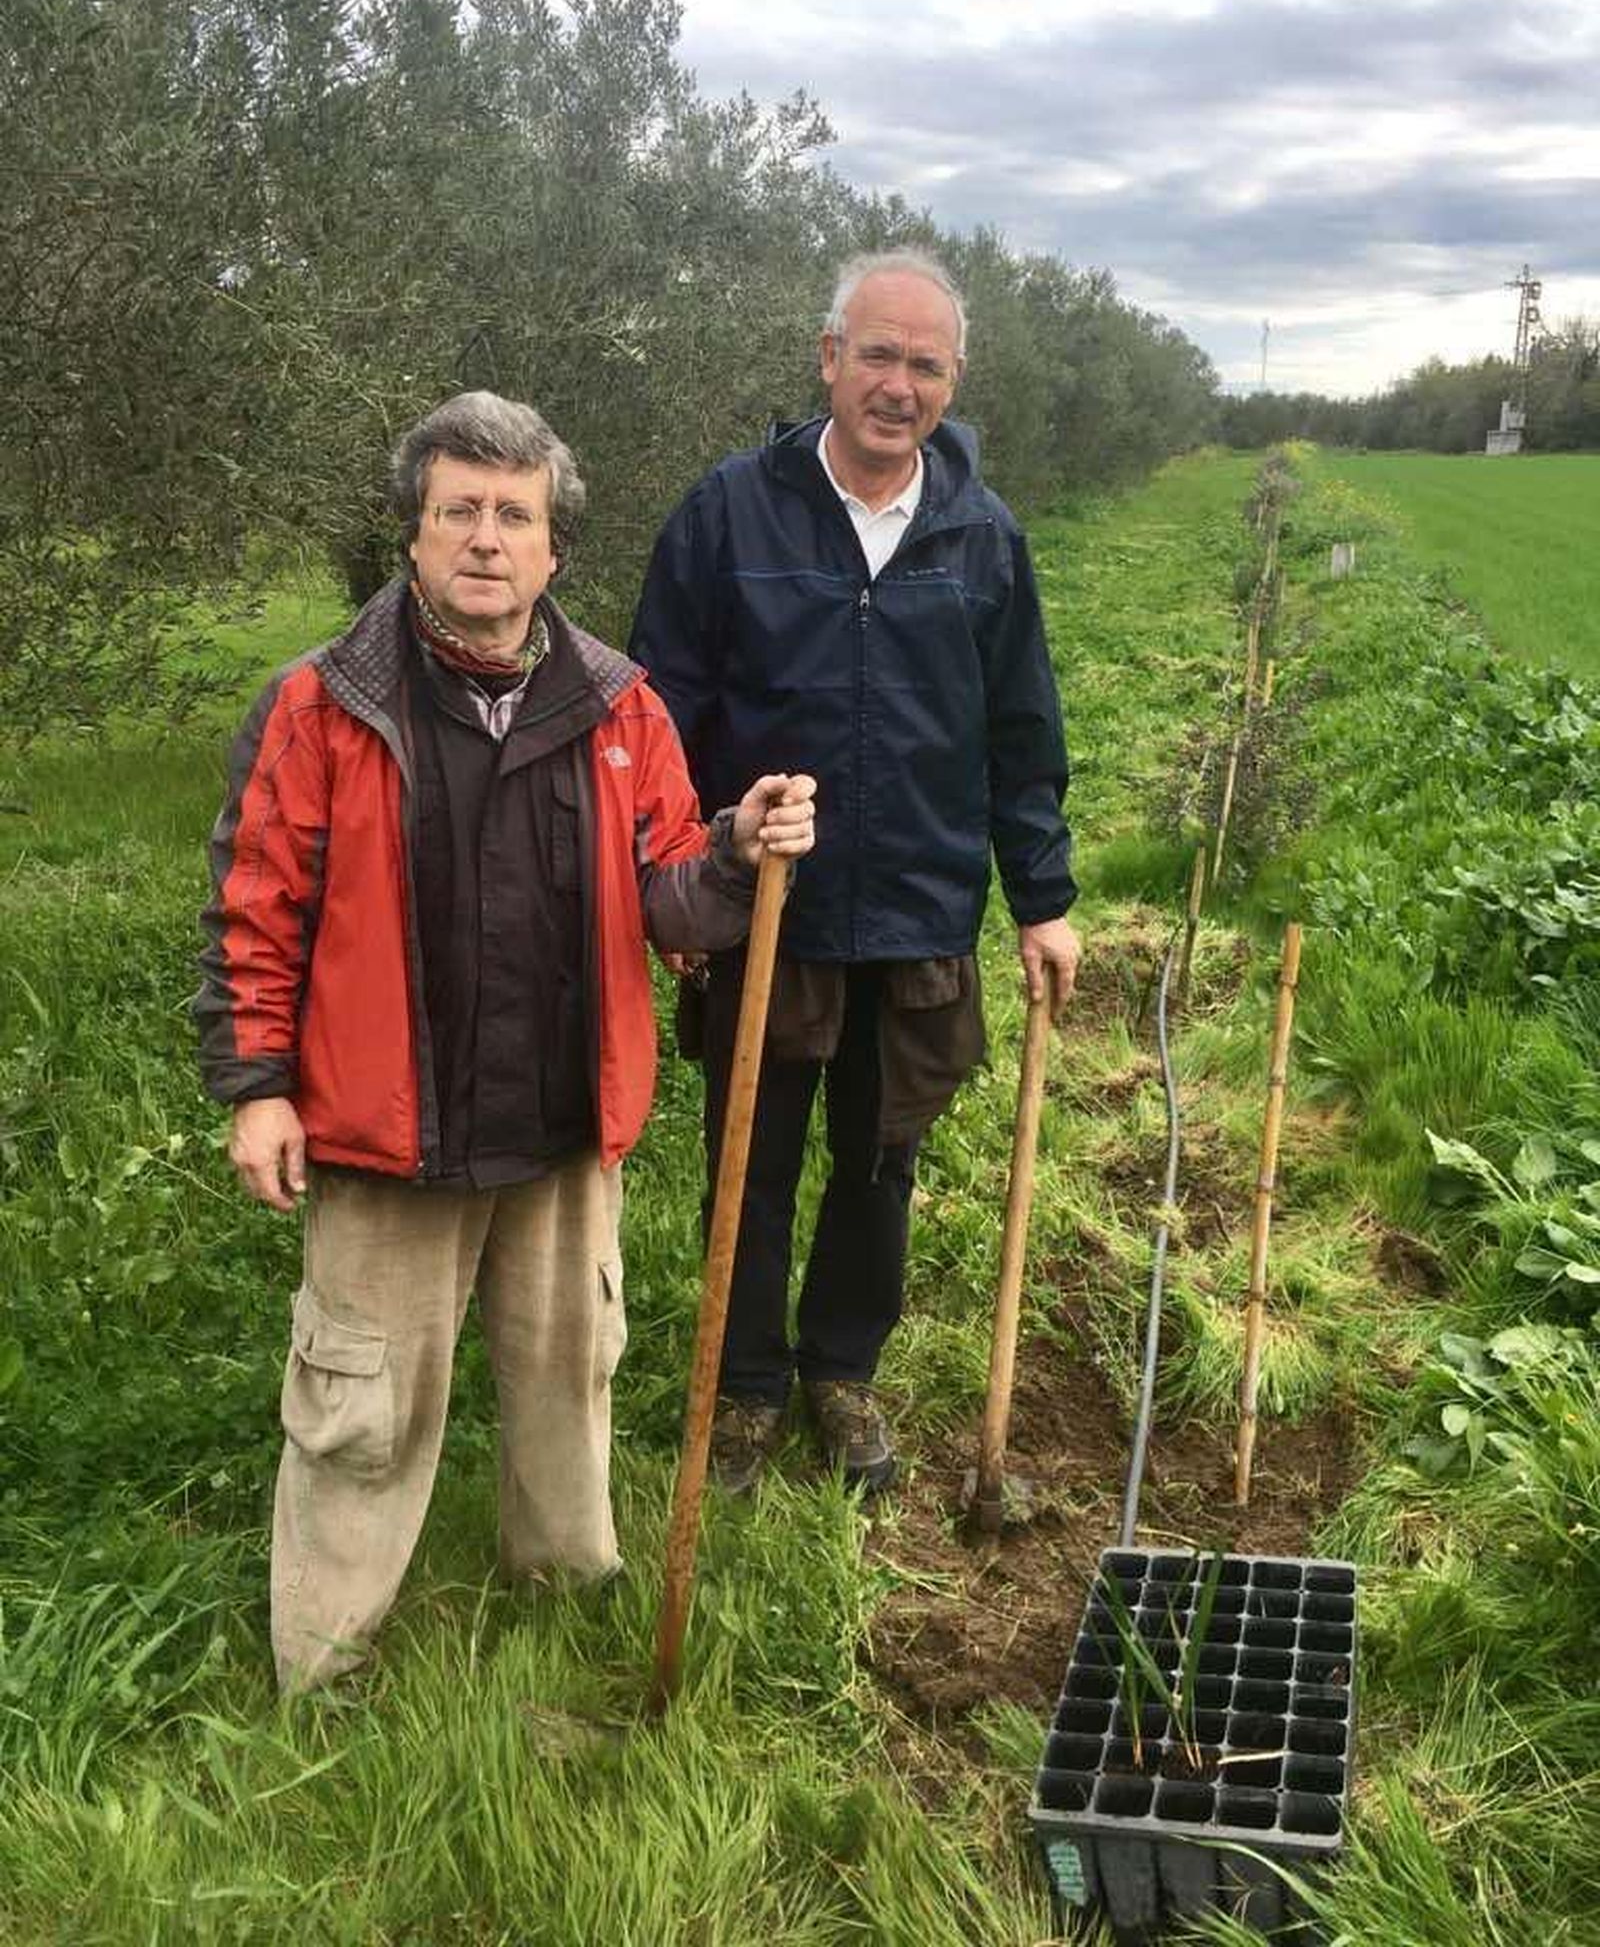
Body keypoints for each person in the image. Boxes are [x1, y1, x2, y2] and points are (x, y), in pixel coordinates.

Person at [195, 390, 815, 1692]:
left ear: (552, 549)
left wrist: (733, 850)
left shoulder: (621, 709)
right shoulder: (320, 707)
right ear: (414, 537)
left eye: (512, 515)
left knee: (570, 1376)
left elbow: (667, 889)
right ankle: (326, 1651)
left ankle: (570, 1589)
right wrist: (257, 1087)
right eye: (458, 510)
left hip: (558, 1126)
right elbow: (259, 908)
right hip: (384, 1128)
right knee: (357, 1406)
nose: (485, 538)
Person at [628, 248, 1079, 1498]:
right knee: (751, 1157)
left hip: (921, 909)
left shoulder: (982, 539)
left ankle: (840, 1371)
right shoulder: (727, 514)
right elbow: (657, 712)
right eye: (876, 355)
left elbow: (1020, 735)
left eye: (923, 365)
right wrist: (683, 869)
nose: (897, 385)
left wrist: (1041, 903)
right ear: (828, 358)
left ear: (953, 381)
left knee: (882, 1162)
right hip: (771, 906)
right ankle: (748, 1389)